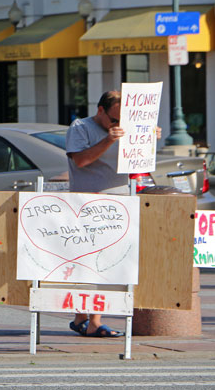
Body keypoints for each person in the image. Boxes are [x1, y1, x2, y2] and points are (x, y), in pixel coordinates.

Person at [66, 90, 160, 338]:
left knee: (109, 263)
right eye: (114, 119)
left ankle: (85, 318)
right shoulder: (80, 127)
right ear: (100, 111)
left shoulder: (125, 126)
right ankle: (90, 320)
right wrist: (109, 139)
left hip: (119, 201)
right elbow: (81, 161)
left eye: (123, 120)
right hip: (88, 202)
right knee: (90, 263)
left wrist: (148, 139)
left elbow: (139, 163)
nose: (118, 125)